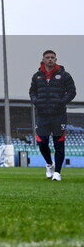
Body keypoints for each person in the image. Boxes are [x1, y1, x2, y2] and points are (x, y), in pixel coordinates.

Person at [29, 50, 77, 181]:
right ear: (43, 60)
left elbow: (72, 92)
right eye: (47, 57)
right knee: (42, 142)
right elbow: (32, 91)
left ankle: (57, 173)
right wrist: (36, 101)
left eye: (52, 57)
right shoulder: (37, 76)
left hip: (58, 115)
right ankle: (49, 164)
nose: (50, 59)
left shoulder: (64, 75)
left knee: (59, 144)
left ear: (56, 60)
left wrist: (61, 102)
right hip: (42, 115)